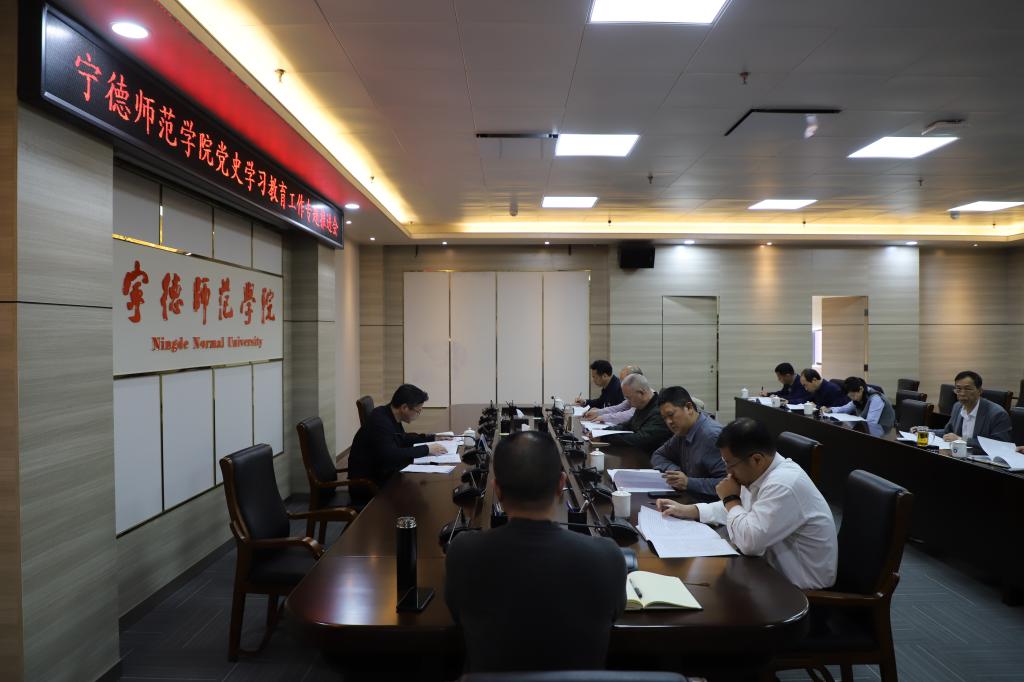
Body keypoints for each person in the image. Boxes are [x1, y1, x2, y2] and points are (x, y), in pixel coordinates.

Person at [444, 431, 626, 673]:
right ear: (561, 485)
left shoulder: (462, 552)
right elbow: (615, 614)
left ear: (497, 489)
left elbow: (458, 615)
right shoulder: (607, 556)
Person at [656, 418, 837, 590]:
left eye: (730, 464)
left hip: (800, 591)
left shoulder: (783, 484)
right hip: (768, 571)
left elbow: (750, 542)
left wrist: (730, 498)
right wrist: (690, 510)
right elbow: (739, 510)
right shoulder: (759, 472)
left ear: (756, 459)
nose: (728, 472)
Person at [347, 384, 447, 504]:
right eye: (418, 411)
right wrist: (427, 449)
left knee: (418, 490)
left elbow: (402, 439)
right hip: (368, 485)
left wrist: (431, 438)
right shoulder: (380, 422)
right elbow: (391, 455)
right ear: (404, 407)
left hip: (382, 474)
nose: (418, 415)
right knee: (417, 496)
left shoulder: (388, 414)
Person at [651, 386, 727, 502]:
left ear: (689, 408)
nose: (668, 422)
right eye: (664, 418)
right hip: (690, 500)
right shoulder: (682, 432)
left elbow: (729, 484)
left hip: (713, 507)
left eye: (671, 415)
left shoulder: (712, 436)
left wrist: (688, 482)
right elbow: (658, 455)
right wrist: (675, 472)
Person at [915, 371, 1012, 448]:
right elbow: (948, 433)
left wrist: (962, 440)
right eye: (958, 389)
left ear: (980, 391)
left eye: (968, 389)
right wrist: (925, 432)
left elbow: (1001, 445)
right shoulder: (957, 406)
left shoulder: (997, 414)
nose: (962, 393)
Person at [600, 373, 673, 454]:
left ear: (641, 393)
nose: (628, 402)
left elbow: (639, 439)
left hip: (650, 458)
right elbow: (627, 426)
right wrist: (602, 432)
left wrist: (604, 437)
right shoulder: (642, 406)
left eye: (629, 398)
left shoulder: (659, 411)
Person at [823, 376, 896, 430]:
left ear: (861, 389)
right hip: (869, 430)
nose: (852, 398)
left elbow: (871, 423)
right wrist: (830, 410)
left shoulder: (876, 399)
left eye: (853, 395)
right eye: (850, 396)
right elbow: (845, 408)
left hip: (884, 433)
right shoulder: (858, 396)